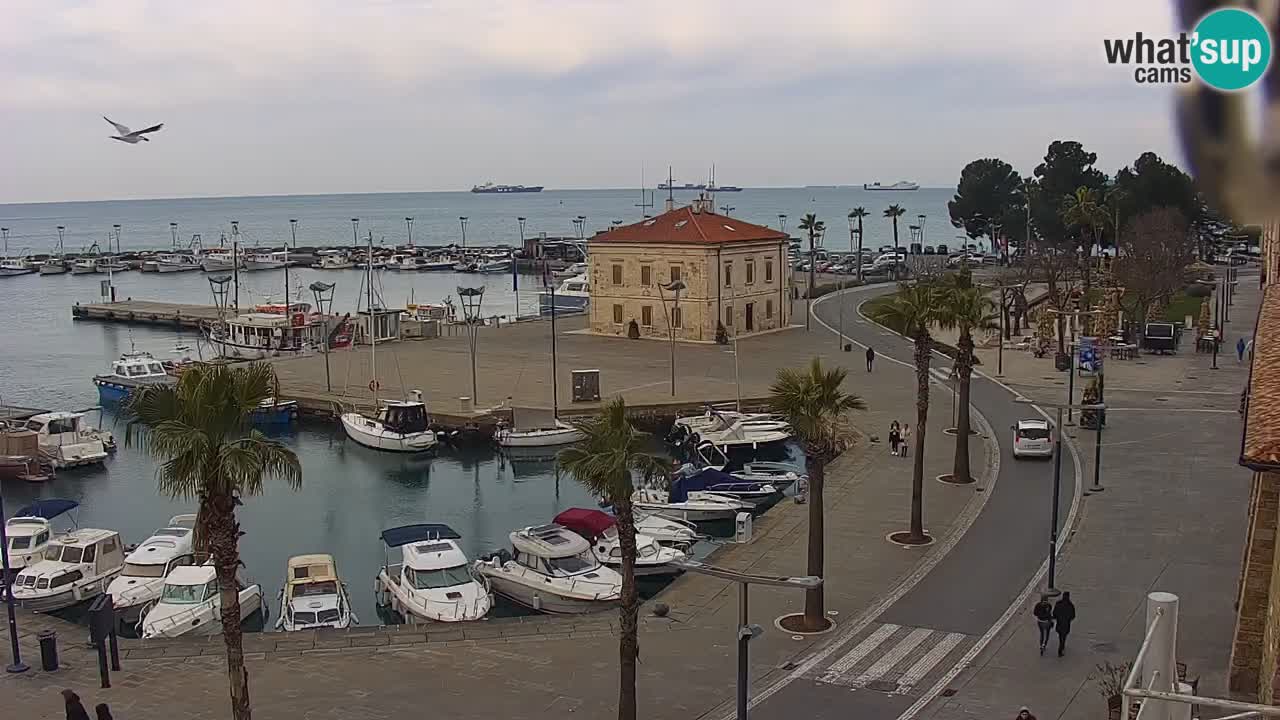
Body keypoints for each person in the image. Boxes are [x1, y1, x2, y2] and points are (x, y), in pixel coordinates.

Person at [1053, 591, 1076, 657]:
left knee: (1060, 636)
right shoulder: (1070, 605)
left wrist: (1057, 617)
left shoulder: (1058, 603)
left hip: (1059, 623)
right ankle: (1061, 647)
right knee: (1064, 636)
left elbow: (1054, 614)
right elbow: (1073, 616)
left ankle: (1061, 645)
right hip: (1066, 624)